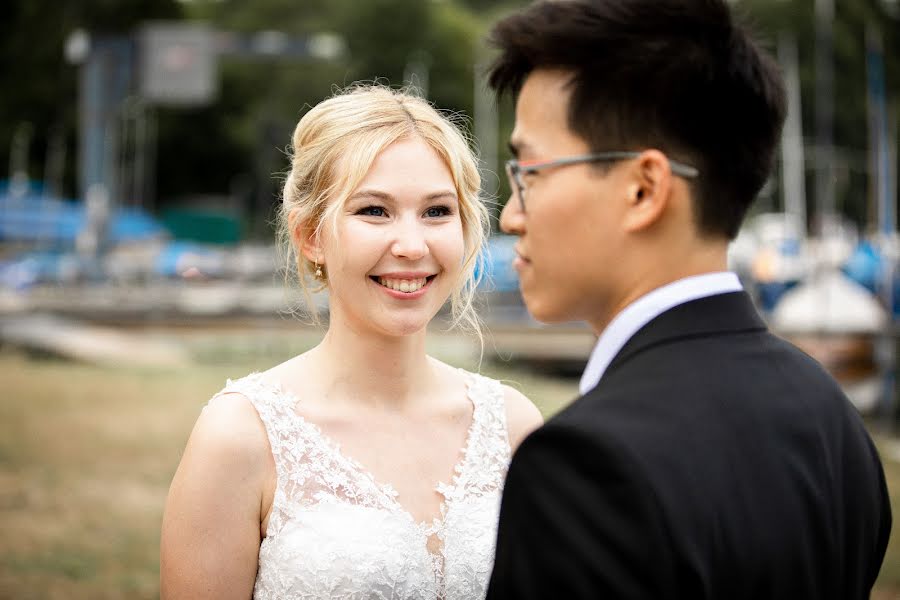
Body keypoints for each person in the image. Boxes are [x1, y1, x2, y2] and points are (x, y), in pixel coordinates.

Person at [484, 1, 891, 599]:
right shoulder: (830, 415)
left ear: (644, 189)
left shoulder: (588, 467)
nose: (511, 214)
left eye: (530, 173)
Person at [160, 84, 543, 600]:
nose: (412, 246)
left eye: (436, 212)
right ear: (311, 235)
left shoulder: (515, 427)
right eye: (374, 211)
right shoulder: (241, 436)